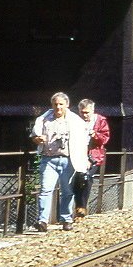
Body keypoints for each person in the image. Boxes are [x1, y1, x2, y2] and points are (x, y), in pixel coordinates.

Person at [30, 92, 88, 232]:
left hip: (68, 160)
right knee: (45, 190)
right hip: (48, 159)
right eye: (55, 104)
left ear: (67, 105)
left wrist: (84, 159)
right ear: (52, 105)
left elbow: (83, 141)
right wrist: (38, 140)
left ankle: (66, 219)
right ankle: (42, 221)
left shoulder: (75, 121)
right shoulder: (43, 119)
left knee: (67, 191)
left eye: (61, 104)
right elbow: (34, 137)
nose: (58, 107)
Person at [73, 99, 110, 220]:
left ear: (93, 111)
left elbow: (105, 139)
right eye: (82, 112)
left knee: (87, 177)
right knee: (76, 179)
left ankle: (82, 207)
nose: (84, 115)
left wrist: (95, 135)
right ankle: (78, 206)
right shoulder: (75, 121)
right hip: (77, 154)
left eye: (87, 112)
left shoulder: (100, 121)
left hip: (94, 155)